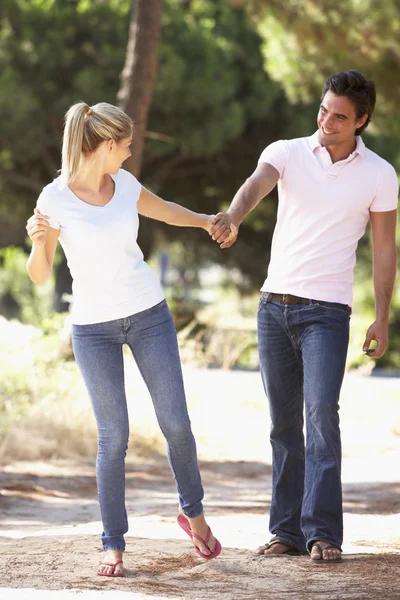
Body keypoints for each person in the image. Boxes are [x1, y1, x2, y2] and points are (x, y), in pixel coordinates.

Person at [26, 101, 222, 577]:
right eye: (128, 144)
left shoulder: (126, 185)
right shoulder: (54, 199)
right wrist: (36, 241)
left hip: (148, 315)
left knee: (176, 423)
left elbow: (167, 211)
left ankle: (192, 514)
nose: (132, 152)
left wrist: (205, 220)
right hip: (93, 328)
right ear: (107, 145)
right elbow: (38, 274)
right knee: (113, 439)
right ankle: (113, 542)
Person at [209, 70, 398, 562]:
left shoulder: (379, 174)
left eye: (340, 116)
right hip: (274, 307)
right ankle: (285, 532)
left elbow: (383, 250)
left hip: (328, 313)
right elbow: (255, 187)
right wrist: (233, 216)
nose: (327, 122)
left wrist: (382, 316)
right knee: (282, 425)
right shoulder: (287, 151)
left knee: (321, 417)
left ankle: (323, 534)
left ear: (361, 121)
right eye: (323, 110)